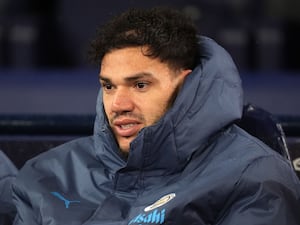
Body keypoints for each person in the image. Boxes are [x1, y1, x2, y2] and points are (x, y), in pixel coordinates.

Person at [11, 7, 300, 225]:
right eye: (109, 86)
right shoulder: (47, 174)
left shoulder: (254, 177)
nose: (119, 104)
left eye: (140, 85)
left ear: (186, 84)